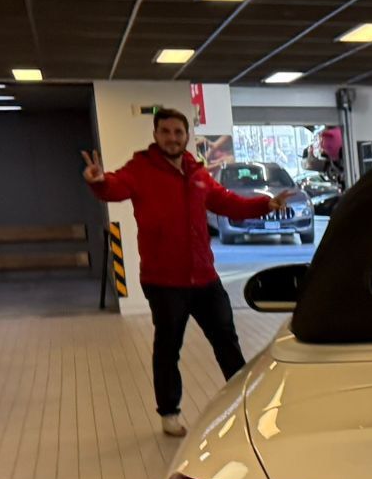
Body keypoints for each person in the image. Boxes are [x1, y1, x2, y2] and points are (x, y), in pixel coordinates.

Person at [82, 106, 306, 436]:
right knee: (169, 346)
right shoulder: (141, 168)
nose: (172, 138)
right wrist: (99, 181)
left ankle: (244, 401)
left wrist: (264, 205)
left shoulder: (197, 173)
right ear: (156, 135)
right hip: (164, 281)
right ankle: (169, 412)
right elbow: (116, 186)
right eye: (166, 132)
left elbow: (227, 202)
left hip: (204, 278)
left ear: (186, 136)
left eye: (178, 132)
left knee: (227, 341)